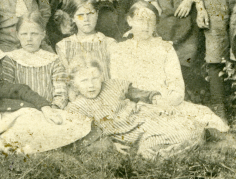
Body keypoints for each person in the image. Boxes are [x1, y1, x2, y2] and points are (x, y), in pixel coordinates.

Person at [64, 57, 214, 160]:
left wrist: (156, 98)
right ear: (73, 83)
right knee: (150, 147)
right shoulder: (76, 108)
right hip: (130, 135)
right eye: (84, 80)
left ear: (101, 76)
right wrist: (110, 145)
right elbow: (85, 135)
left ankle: (190, 137)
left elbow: (139, 94)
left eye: (94, 78)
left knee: (187, 124)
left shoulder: (112, 85)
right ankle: (175, 148)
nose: (91, 85)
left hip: (145, 118)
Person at [110, 3, 229, 132]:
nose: (146, 25)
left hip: (167, 103)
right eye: (140, 20)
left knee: (206, 116)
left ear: (156, 24)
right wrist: (150, 101)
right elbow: (119, 87)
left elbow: (176, 85)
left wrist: (167, 103)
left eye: (151, 20)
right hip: (136, 104)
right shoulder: (119, 50)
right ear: (130, 20)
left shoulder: (165, 48)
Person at [0, 18, 68, 108]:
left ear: (43, 34)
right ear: (17, 35)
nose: (29, 39)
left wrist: (53, 109)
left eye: (34, 34)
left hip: (50, 110)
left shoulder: (54, 60)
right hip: (20, 110)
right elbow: (7, 91)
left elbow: (61, 92)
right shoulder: (10, 59)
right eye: (24, 34)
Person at [56, 0, 116, 80]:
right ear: (73, 18)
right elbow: (64, 79)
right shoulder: (63, 46)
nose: (86, 19)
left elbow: (115, 77)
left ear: (97, 14)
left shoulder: (109, 43)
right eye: (80, 15)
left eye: (90, 13)